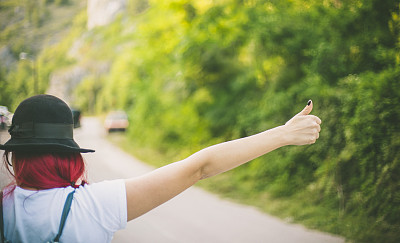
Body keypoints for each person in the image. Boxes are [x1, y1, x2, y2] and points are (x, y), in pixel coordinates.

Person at [0, 94, 321, 243]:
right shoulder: (95, 205)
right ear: (70, 156)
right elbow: (200, 167)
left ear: (15, 156)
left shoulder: (6, 208)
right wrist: (282, 134)